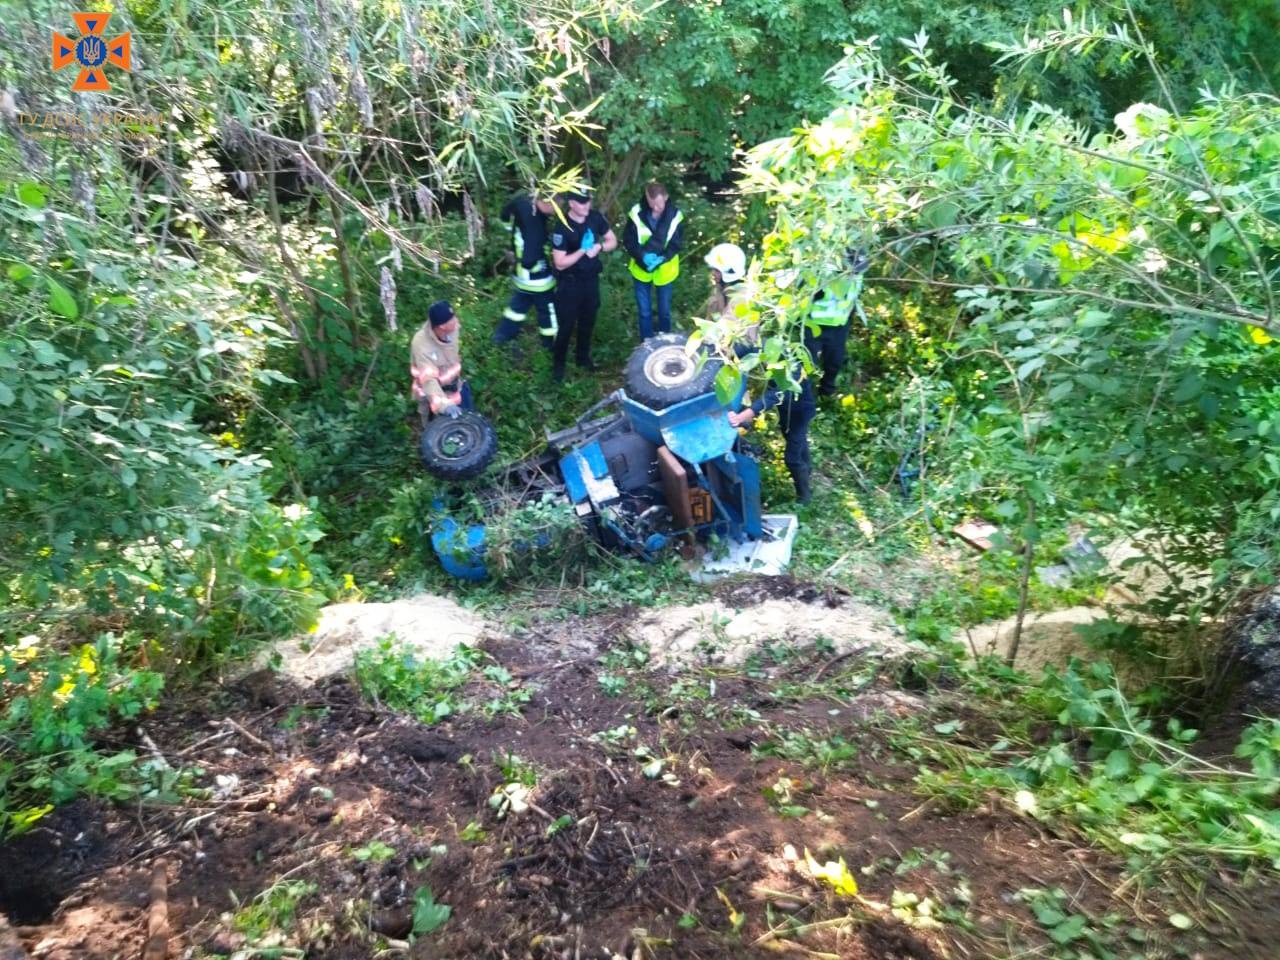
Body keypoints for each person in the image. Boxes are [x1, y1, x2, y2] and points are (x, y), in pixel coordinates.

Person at [549, 188, 617, 381]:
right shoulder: (562, 226)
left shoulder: (595, 218)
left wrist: (599, 246)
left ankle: (583, 359)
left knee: (588, 322)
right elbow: (560, 263)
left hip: (590, 282)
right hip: (569, 285)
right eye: (581, 202)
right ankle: (559, 366)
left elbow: (613, 241)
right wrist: (582, 250)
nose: (586, 205)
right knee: (566, 326)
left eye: (587, 201)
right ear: (571, 203)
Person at [727, 369, 817, 503]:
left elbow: (776, 394)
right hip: (788, 411)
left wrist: (744, 415)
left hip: (800, 413)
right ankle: (806, 471)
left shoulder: (791, 362)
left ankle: (804, 497)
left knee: (792, 457)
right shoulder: (772, 358)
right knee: (797, 441)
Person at [493, 191, 557, 348]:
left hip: (520, 275)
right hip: (537, 278)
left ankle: (501, 338)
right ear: (549, 202)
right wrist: (543, 266)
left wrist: (510, 233)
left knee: (517, 307)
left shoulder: (524, 202)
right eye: (557, 206)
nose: (557, 211)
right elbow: (530, 259)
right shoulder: (535, 224)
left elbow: (505, 212)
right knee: (548, 312)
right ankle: (551, 345)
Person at [623, 182, 685, 339]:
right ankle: (646, 343)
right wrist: (642, 255)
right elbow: (629, 241)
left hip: (665, 270)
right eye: (653, 204)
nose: (657, 208)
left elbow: (677, 243)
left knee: (664, 311)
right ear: (647, 199)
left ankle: (664, 341)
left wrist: (663, 258)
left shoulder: (675, 215)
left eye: (659, 204)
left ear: (666, 197)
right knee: (644, 311)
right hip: (641, 269)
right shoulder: (636, 213)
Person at [806, 247, 870, 396]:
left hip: (839, 326)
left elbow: (852, 300)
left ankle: (826, 392)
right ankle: (803, 396)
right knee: (808, 362)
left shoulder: (858, 275)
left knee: (834, 362)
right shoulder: (825, 276)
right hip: (815, 324)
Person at [410, 301, 472, 427]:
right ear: (442, 326)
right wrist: (444, 406)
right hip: (433, 396)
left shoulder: (453, 329)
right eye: (452, 319)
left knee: (468, 425)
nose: (457, 321)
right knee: (438, 436)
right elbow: (428, 381)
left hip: (456, 388)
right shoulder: (422, 345)